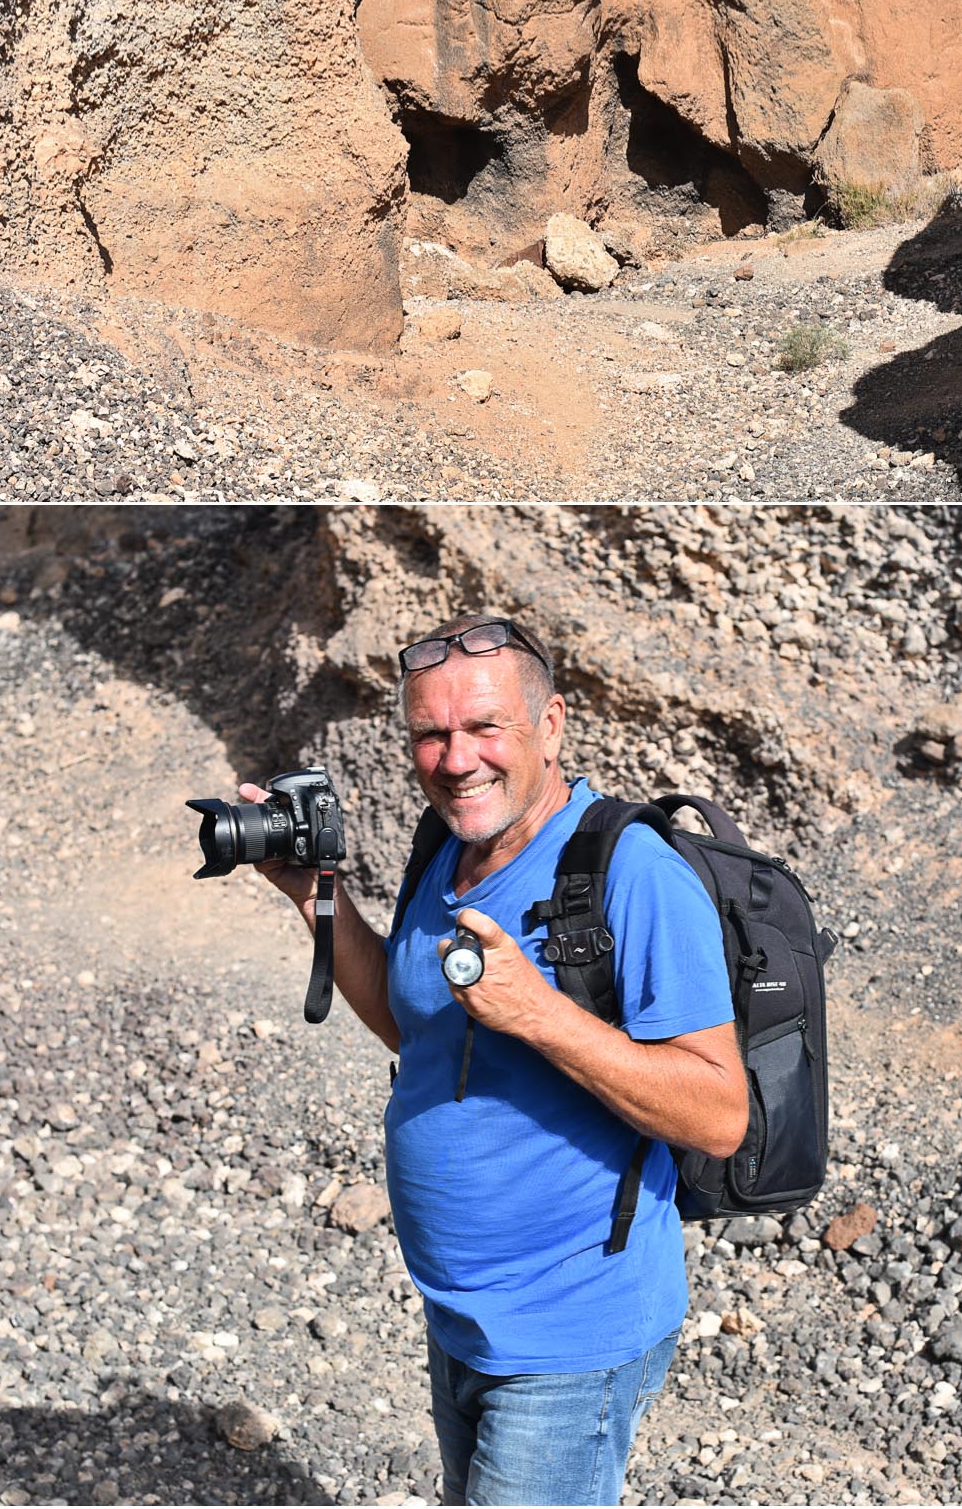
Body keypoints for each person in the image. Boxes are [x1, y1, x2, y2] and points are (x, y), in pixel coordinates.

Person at [229, 615, 743, 1505]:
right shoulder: (450, 854)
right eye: (430, 734)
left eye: (483, 729)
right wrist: (317, 897)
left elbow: (718, 1115)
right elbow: (414, 1025)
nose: (456, 759)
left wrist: (540, 1015)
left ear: (551, 727)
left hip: (570, 1331)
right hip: (463, 1317)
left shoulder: (631, 870)